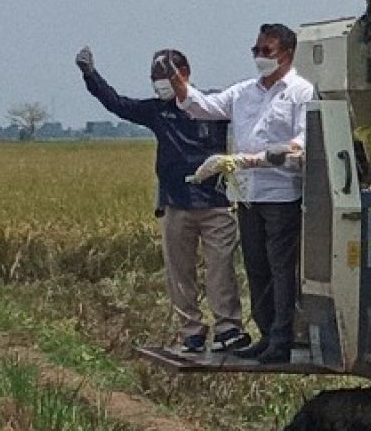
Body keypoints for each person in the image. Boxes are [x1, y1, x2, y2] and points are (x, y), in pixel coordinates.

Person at [74, 46, 249, 354]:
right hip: (175, 202)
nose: (160, 82)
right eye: (155, 77)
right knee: (179, 271)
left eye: (167, 75)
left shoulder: (212, 105)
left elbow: (252, 111)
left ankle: (228, 329)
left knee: (221, 268)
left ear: (185, 75)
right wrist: (90, 74)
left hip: (216, 202)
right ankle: (191, 331)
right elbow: (117, 103)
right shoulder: (156, 110)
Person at [170, 24, 316, 365]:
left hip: (281, 193)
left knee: (282, 269)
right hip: (248, 192)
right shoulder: (243, 92)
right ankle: (266, 334)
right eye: (256, 50)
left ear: (287, 54)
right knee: (256, 266)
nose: (260, 57)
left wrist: (262, 156)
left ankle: (282, 337)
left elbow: (303, 140)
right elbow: (201, 106)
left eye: (267, 51)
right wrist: (176, 80)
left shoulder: (301, 91)